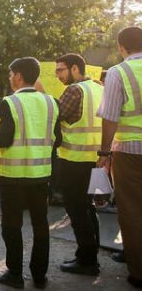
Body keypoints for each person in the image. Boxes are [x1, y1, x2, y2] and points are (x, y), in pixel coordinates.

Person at [0, 57, 60, 290]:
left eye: (10, 75)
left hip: (13, 176)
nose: (10, 79)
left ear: (18, 76)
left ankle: (15, 274)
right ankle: (39, 276)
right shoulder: (52, 102)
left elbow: (5, 138)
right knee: (40, 225)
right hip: (41, 175)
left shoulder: (10, 103)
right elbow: (58, 139)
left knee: (12, 225)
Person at [97, 26, 142, 289]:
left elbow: (110, 117)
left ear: (121, 47)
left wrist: (104, 152)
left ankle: (138, 271)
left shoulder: (119, 72)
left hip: (130, 151)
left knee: (133, 210)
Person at [53, 53, 102, 276]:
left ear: (74, 69)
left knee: (77, 210)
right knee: (89, 207)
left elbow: (56, 116)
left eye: (60, 70)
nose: (57, 75)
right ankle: (90, 255)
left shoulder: (74, 90)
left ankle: (87, 260)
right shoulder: (99, 88)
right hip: (96, 159)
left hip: (74, 161)